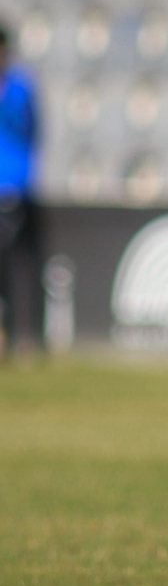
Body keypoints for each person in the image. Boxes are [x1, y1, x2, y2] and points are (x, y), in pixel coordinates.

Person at [0, 26, 40, 355]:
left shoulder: (19, 88)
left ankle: (18, 336)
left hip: (11, 187)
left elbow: (32, 130)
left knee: (14, 263)